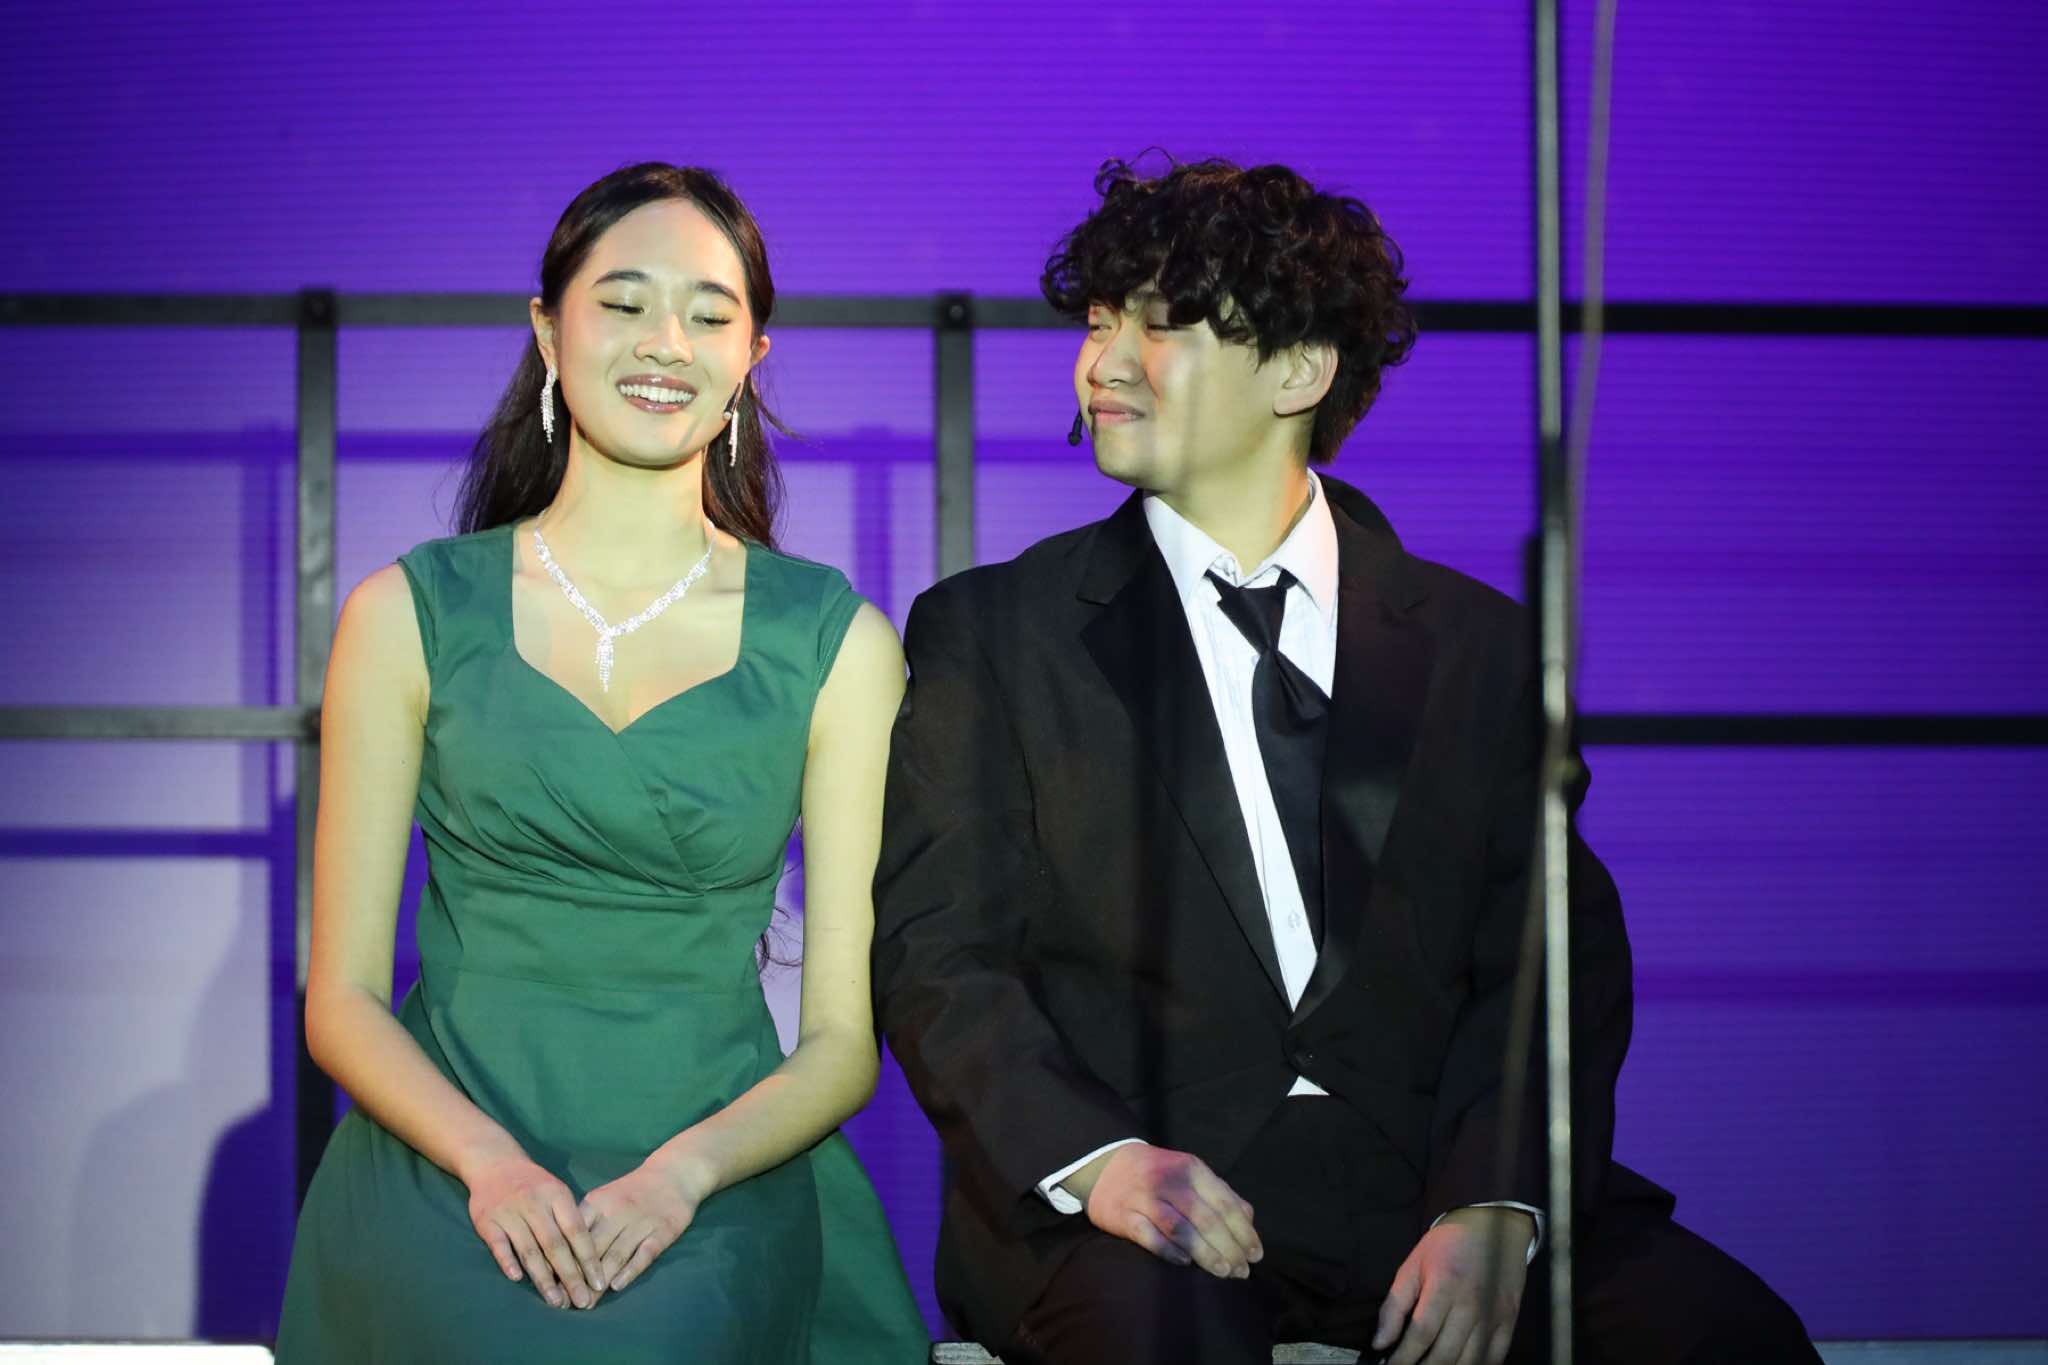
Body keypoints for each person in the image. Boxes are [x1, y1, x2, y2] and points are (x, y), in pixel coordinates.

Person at [871, 157, 1820, 1365]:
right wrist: (1098, 1163)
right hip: (1144, 1201)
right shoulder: (996, 631)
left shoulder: (1477, 646)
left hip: (1427, 1182)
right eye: (1099, 322)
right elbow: (939, 953)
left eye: (1160, 326)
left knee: (1728, 1340)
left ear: (1299, 370)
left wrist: (1496, 1202)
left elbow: (1548, 958)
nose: (1101, 364)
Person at [275, 162, 926, 1362]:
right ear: (547, 332)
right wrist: (489, 1165)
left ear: (751, 358)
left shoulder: (832, 642)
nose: (663, 343)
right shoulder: (407, 613)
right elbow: (343, 1003)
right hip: (449, 1154)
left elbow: (842, 1044)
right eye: (623, 304)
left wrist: (684, 1176)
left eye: (708, 316)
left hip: (715, 1165)